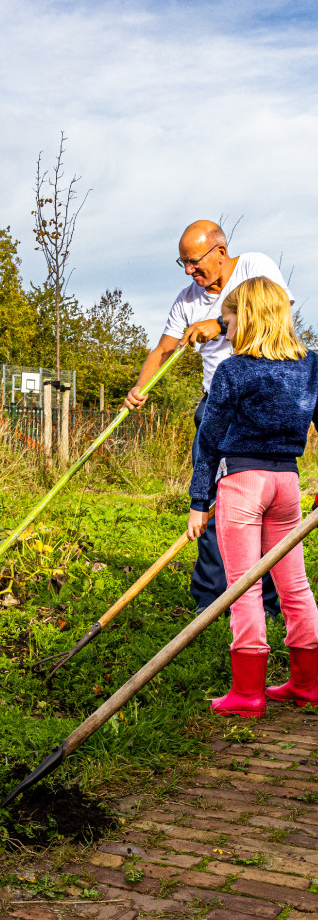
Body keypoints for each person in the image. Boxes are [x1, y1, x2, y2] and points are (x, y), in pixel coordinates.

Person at [126, 221, 291, 616]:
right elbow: (163, 349)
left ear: (220, 250)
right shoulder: (186, 299)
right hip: (216, 402)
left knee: (260, 500)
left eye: (194, 261)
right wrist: (139, 387)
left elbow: (275, 313)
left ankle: (264, 600)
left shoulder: (255, 267)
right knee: (213, 497)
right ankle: (212, 595)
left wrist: (216, 325)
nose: (188, 271)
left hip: (262, 400)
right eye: (182, 263)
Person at [187, 277, 318, 718]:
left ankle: (246, 694)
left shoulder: (235, 370)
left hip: (243, 483)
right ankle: (306, 684)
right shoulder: (310, 366)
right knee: (294, 584)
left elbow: (208, 440)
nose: (224, 327)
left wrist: (198, 501)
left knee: (244, 586)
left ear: (249, 317)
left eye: (228, 318)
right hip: (287, 487)